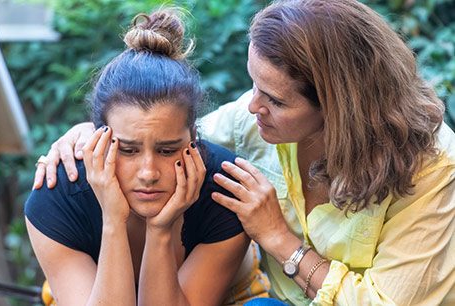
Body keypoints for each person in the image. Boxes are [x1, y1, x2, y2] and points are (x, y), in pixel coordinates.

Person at [33, 0, 455, 305]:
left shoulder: (434, 170)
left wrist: (278, 239)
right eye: (253, 85)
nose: (252, 105)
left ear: (340, 108)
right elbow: (164, 134)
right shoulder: (251, 122)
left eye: (274, 99)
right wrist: (88, 132)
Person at [25, 9, 271, 306]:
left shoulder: (225, 191)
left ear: (193, 137)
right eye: (128, 150)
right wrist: (113, 220)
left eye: (167, 150)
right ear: (97, 139)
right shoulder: (59, 195)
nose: (148, 172)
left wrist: (160, 230)